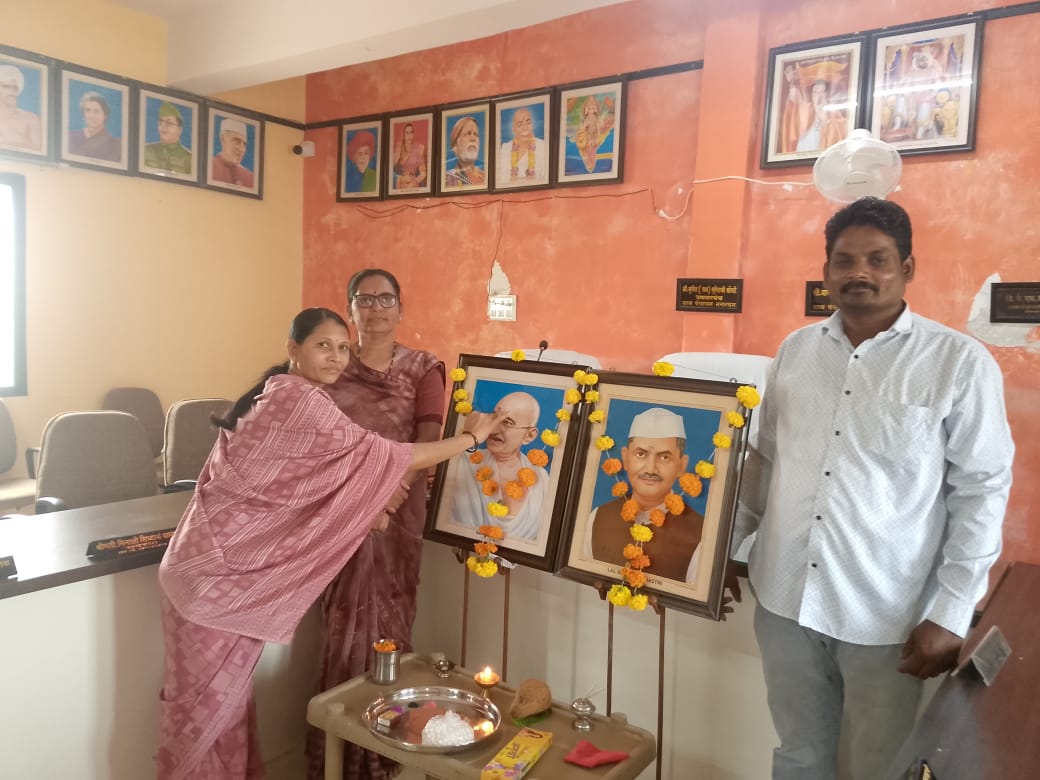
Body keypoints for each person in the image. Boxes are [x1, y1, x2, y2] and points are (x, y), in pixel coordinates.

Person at [730, 197, 1014, 780]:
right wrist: (724, 549)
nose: (859, 272)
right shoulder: (795, 351)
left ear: (907, 268)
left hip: (886, 614)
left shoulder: (957, 362)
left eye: (877, 259)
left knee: (880, 766)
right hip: (784, 600)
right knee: (797, 753)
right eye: (844, 260)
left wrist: (951, 611)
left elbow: (982, 490)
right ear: (827, 269)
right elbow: (764, 460)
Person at [157, 307, 502, 780]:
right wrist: (471, 437)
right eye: (324, 345)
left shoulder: (276, 392)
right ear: (293, 349)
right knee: (204, 716)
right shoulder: (302, 402)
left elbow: (302, 486)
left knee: (224, 707)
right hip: (213, 582)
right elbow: (392, 456)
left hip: (203, 571)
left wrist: (370, 507)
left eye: (343, 347)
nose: (337, 357)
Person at [305, 270, 448, 780]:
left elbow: (428, 439)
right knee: (342, 626)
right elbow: (315, 441)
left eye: (386, 299)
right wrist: (361, 498)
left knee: (390, 625)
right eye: (364, 300)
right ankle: (338, 758)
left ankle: (383, 756)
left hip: (398, 517)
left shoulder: (423, 369)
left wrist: (391, 489)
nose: (376, 308)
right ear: (351, 310)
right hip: (342, 516)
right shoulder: (333, 368)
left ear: (401, 308)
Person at [585, 407, 703, 583]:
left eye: (664, 457)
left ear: (681, 465)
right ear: (625, 458)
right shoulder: (598, 517)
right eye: (641, 454)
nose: (650, 469)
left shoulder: (700, 534)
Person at [449, 390, 549, 542]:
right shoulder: (463, 461)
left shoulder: (542, 480)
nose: (494, 429)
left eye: (507, 422)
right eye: (493, 418)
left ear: (529, 435)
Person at [564, 94, 615, 175]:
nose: (591, 110)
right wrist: (584, 133)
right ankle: (589, 164)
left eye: (592, 108)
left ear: (595, 109)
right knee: (588, 151)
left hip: (594, 136)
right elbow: (583, 128)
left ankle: (591, 163)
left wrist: (597, 135)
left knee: (593, 151)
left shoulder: (596, 118)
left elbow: (598, 128)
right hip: (588, 137)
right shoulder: (586, 119)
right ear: (586, 110)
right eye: (589, 108)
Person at [496, 107, 546, 185]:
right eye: (520, 124)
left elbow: (546, 180)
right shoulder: (504, 148)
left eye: (528, 123)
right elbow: (499, 180)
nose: (525, 128)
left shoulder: (543, 146)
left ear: (532, 125)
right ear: (513, 128)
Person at [67, 90, 121, 162]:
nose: (92, 116)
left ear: (105, 115)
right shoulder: (71, 136)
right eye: (88, 110)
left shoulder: (115, 145)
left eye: (97, 111)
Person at [0, 64, 42, 152]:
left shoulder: (30, 118)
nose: (12, 91)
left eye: (15, 87)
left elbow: (38, 148)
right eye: (6, 86)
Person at [143, 101, 192, 174]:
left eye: (168, 123)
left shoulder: (189, 158)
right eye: (160, 122)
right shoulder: (145, 150)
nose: (163, 126)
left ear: (179, 129)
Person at [210, 117, 254, 187]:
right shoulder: (209, 168)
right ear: (223, 139)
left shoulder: (250, 177)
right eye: (237, 141)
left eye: (244, 144)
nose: (242, 149)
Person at [444, 115, 486, 188]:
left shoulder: (485, 176)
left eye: (476, 134)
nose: (473, 138)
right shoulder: (449, 178)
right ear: (455, 146)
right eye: (468, 133)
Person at [392, 122, 426, 190]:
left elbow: (423, 173)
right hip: (399, 184)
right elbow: (390, 171)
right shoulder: (398, 150)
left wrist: (415, 182)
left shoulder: (418, 148)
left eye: (411, 132)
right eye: (407, 133)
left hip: (412, 183)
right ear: (403, 135)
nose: (409, 135)